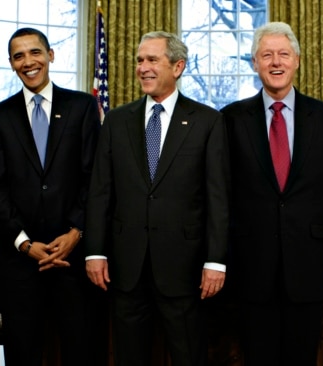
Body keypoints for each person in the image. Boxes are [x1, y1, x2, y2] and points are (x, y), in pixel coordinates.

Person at [85, 31, 230, 366]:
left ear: (178, 66)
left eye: (152, 60)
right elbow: (101, 190)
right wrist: (94, 251)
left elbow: (217, 197)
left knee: (187, 355)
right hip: (126, 268)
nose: (143, 68)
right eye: (139, 60)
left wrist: (215, 261)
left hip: (185, 269)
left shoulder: (207, 122)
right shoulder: (117, 120)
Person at [220, 21, 323, 365]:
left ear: (297, 60)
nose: (276, 62)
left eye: (283, 55)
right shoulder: (230, 119)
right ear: (254, 63)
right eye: (267, 55)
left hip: (307, 265)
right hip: (251, 266)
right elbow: (223, 189)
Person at [0, 27, 107, 365]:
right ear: (11, 63)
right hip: (20, 263)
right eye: (18, 56)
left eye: (35, 52)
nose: (28, 61)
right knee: (23, 354)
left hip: (74, 259)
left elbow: (93, 177)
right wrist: (24, 242)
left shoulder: (82, 107)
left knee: (82, 350)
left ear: (50, 56)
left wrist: (75, 232)